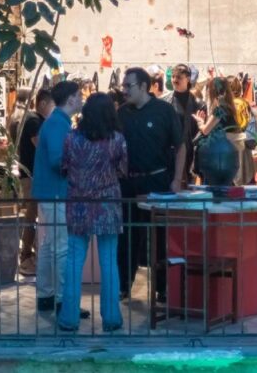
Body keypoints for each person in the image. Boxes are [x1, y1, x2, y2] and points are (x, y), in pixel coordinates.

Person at [57, 93, 128, 333]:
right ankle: (111, 318)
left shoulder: (71, 138)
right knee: (109, 261)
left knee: (74, 260)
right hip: (108, 206)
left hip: (78, 205)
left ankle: (69, 318)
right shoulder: (117, 140)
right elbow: (122, 169)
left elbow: (64, 167)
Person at [117, 67, 185, 301]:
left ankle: (162, 288)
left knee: (159, 236)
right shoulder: (122, 113)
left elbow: (180, 146)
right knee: (127, 236)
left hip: (158, 182)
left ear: (144, 87)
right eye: (123, 86)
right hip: (129, 183)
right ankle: (123, 285)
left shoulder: (164, 111)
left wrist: (177, 179)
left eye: (129, 86)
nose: (124, 90)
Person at [33, 80, 85, 317]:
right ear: (71, 98)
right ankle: (64, 300)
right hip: (56, 193)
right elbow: (57, 160)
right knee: (61, 247)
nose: (82, 99)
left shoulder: (55, 121)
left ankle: (46, 295)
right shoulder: (58, 124)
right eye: (79, 95)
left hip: (49, 192)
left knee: (48, 245)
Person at [17, 88, 53, 276]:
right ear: (43, 103)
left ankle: (29, 255)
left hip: (33, 176)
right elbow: (41, 145)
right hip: (31, 177)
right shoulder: (33, 120)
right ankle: (26, 257)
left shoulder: (35, 120)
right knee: (32, 215)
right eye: (53, 105)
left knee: (34, 215)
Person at [196, 77, 248, 184]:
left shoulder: (219, 109)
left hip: (219, 156)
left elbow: (205, 130)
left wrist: (200, 122)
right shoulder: (230, 107)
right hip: (231, 153)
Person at [165, 64, 205, 184]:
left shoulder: (198, 104)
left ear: (188, 79)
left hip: (191, 151)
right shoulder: (164, 102)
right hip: (171, 151)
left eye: (179, 77)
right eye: (173, 77)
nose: (175, 80)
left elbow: (202, 131)